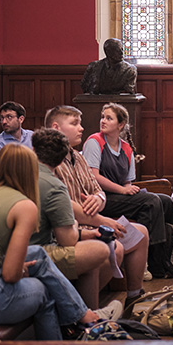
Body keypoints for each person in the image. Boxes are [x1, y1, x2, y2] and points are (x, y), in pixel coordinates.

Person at [0, 143, 122, 339]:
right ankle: (68, 339)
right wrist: (21, 270)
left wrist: (16, 268)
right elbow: (10, 275)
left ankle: (82, 319)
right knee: (43, 291)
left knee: (37, 254)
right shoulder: (23, 205)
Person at [44, 105, 150, 299]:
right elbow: (64, 205)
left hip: (90, 220)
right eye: (75, 123)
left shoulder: (78, 156)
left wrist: (98, 198)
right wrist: (103, 221)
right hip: (73, 228)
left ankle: (134, 297)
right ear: (56, 128)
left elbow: (97, 189)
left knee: (141, 233)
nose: (82, 128)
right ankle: (85, 305)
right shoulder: (49, 162)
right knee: (114, 247)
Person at [82, 102, 173, 278]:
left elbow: (128, 182)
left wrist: (127, 190)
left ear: (120, 125)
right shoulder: (94, 142)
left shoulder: (126, 148)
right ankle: (151, 262)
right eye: (102, 117)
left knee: (165, 201)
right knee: (150, 202)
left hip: (119, 195)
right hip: (101, 198)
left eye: (108, 118)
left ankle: (170, 255)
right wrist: (122, 190)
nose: (103, 121)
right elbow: (94, 176)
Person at [29, 127, 116, 308]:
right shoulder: (54, 186)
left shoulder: (20, 173)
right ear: (61, 161)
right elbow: (68, 240)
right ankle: (87, 314)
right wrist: (76, 223)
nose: (81, 127)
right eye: (76, 122)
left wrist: (86, 233)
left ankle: (86, 312)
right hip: (31, 249)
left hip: (24, 244)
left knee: (94, 246)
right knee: (97, 251)